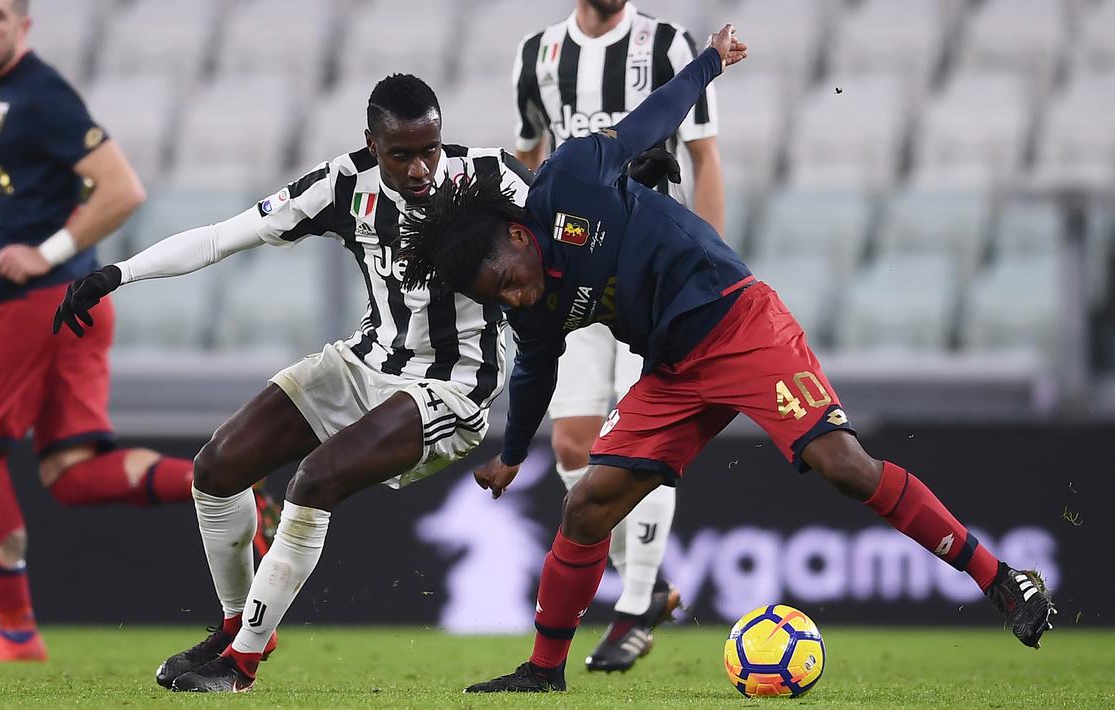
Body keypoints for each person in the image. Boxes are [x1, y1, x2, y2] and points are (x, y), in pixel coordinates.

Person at [398, 26, 1057, 693]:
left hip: (739, 323)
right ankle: (543, 673)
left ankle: (1000, 580)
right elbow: (533, 372)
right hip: (673, 367)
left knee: (843, 466)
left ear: (518, 234)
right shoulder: (531, 307)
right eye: (498, 299)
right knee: (587, 506)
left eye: (508, 280)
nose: (514, 297)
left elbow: (649, 120)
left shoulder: (569, 180)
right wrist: (513, 454)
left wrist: (709, 61)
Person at [54, 74, 560, 693]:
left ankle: (240, 664)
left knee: (314, 479)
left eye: (429, 148)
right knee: (215, 468)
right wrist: (118, 274)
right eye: (401, 153)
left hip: (453, 386)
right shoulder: (343, 185)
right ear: (371, 144)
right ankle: (237, 625)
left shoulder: (488, 176)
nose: (420, 168)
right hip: (364, 362)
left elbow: (567, 226)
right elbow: (220, 238)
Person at [0, 0, 265, 663]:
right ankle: (230, 487)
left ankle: (15, 630)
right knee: (72, 472)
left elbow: (121, 188)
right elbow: (32, 204)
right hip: (66, 304)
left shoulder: (37, 93)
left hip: (27, 304)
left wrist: (45, 255)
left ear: (23, 26)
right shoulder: (8, 97)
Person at [512, 0, 726, 671]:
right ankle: (651, 584)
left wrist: (709, 264)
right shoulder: (537, 54)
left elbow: (703, 157)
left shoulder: (666, 44)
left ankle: (633, 607)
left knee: (644, 444)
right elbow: (527, 158)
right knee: (572, 444)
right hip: (573, 275)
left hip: (653, 276)